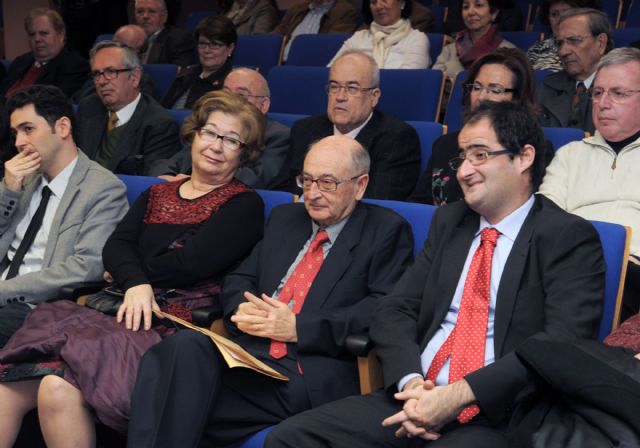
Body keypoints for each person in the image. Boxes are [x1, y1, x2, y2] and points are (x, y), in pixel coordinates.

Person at [265, 100, 605, 448]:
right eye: (462, 157)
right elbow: (396, 310)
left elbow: (561, 344)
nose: (463, 171)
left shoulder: (566, 237)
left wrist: (458, 394)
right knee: (290, 438)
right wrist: (412, 385)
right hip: (415, 396)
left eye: (481, 155)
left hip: (498, 413)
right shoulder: (450, 222)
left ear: (524, 157)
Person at [0, 89, 266, 446]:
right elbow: (114, 246)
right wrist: (134, 279)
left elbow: (190, 263)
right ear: (194, 134)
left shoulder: (243, 205)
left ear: (243, 152)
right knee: (7, 390)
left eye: (230, 139)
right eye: (210, 132)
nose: (216, 146)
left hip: (168, 324)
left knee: (54, 387)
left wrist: (130, 275)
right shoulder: (157, 194)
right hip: (115, 310)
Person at [126, 134, 414, 447]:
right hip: (248, 353)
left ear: (360, 185)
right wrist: (241, 308)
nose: (312, 194)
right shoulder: (285, 218)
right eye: (307, 180)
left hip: (306, 366)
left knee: (171, 399)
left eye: (327, 182)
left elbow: (382, 308)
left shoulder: (386, 230)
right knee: (183, 346)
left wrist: (298, 327)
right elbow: (240, 276)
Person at [0, 85, 128, 347]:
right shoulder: (20, 181)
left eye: (28, 129)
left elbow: (86, 267)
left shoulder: (103, 189)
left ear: (62, 128)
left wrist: (3, 291)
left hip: (41, 309)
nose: (18, 143)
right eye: (15, 133)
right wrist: (9, 192)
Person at [539, 47, 640, 322]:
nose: (603, 104)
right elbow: (544, 218)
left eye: (618, 93)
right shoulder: (572, 154)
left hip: (632, 271)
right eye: (597, 93)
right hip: (569, 262)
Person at [278, 51, 421, 200]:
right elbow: (285, 190)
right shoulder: (304, 129)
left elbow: (377, 201)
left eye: (352, 88)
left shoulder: (397, 137)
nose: (340, 97)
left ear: (374, 96)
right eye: (334, 87)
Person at [409, 47, 538, 205]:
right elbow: (419, 205)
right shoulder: (445, 144)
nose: (482, 97)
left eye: (495, 90)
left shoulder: (529, 149)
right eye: (476, 87)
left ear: (517, 98)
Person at [150, 67, 290, 189]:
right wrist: (166, 176)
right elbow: (172, 162)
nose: (231, 100)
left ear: (263, 105)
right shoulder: (210, 127)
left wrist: (194, 181)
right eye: (226, 92)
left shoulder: (277, 135)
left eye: (241, 95)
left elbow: (255, 179)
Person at [76, 40, 181, 176]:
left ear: (135, 77)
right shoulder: (88, 107)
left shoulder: (160, 125)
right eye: (97, 74)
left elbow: (152, 185)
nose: (101, 81)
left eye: (111, 71)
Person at [538, 8, 612, 134]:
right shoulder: (549, 85)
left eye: (574, 41)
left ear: (601, 43)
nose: (563, 51)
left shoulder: (621, 88)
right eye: (559, 43)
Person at [0, 8, 89, 100]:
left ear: (61, 35)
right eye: (32, 34)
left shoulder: (75, 66)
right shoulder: (20, 61)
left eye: (44, 33)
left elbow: (54, 104)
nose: (37, 39)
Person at [161, 15, 236, 110]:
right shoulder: (186, 74)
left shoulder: (231, 83)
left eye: (215, 44)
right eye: (203, 44)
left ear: (230, 48)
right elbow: (163, 109)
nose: (207, 50)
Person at [71, 24, 160, 103]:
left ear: (142, 57)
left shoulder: (145, 86)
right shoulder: (97, 75)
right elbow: (75, 102)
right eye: (114, 45)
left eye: (126, 51)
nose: (115, 53)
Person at [329, 0, 430, 69]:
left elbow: (408, 81)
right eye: (373, 1)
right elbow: (331, 71)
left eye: (385, 0)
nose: (379, 6)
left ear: (402, 3)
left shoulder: (416, 39)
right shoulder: (359, 37)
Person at [433, 0, 515, 80]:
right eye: (466, 7)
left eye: (478, 5)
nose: (470, 12)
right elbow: (434, 84)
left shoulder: (508, 52)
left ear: (494, 13)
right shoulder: (450, 50)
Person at [526, 0, 601, 71]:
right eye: (554, 14)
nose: (560, 19)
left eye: (568, 13)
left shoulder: (591, 46)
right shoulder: (536, 49)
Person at [274, 0, 358, 61]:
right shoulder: (296, 8)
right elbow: (276, 35)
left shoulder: (344, 11)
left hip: (313, 66)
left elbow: (330, 47)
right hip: (281, 64)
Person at [134, 0, 196, 68]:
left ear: (164, 16)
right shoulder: (128, 38)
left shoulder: (179, 39)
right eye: (140, 11)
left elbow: (180, 75)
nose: (145, 16)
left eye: (152, 11)